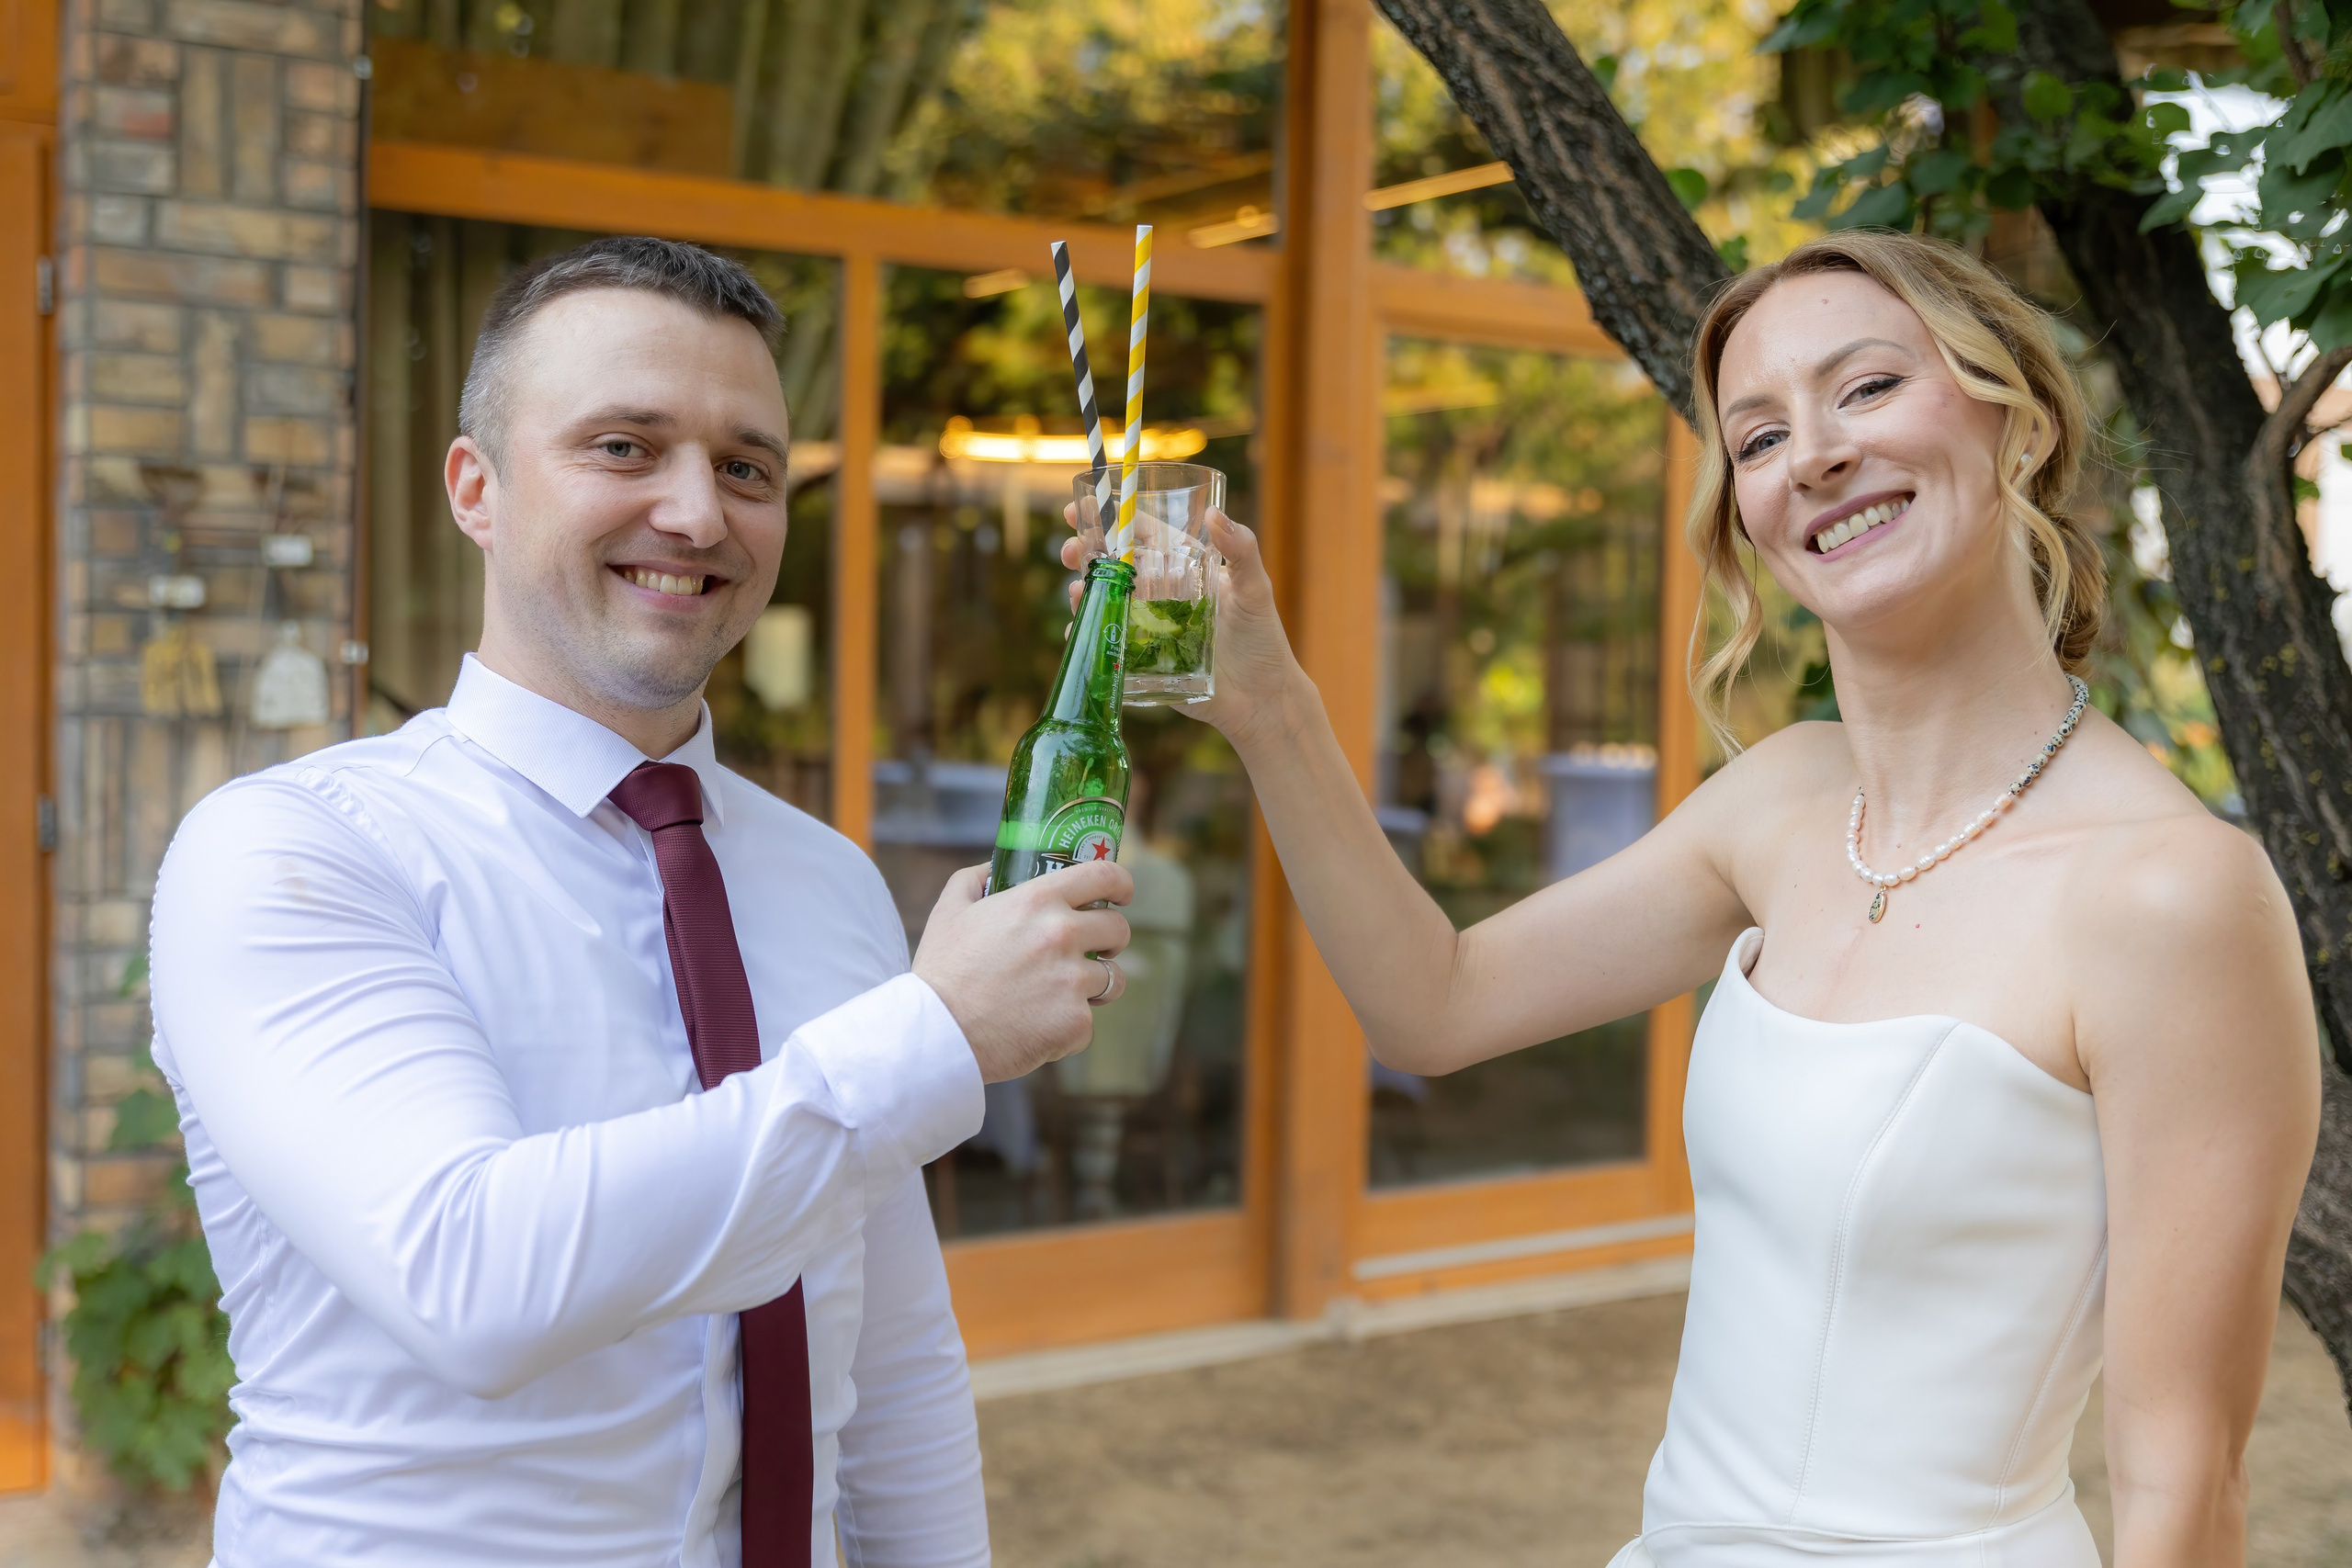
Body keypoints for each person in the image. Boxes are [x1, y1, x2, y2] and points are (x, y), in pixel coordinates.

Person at [1077, 231, 2322, 1563]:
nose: (1819, 453)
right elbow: (1433, 1007)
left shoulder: (2173, 895)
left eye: (1866, 389)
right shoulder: (1781, 802)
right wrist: (1268, 706)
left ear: (2015, 421)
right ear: (1747, 513)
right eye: (1761, 435)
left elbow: (2185, 1484)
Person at [150, 236, 1133, 1568]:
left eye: (747, 468)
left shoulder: (827, 878)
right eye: (624, 446)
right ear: (475, 489)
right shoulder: (295, 852)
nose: (697, 513)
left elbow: (888, 1364)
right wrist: (935, 1035)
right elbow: (469, 1275)